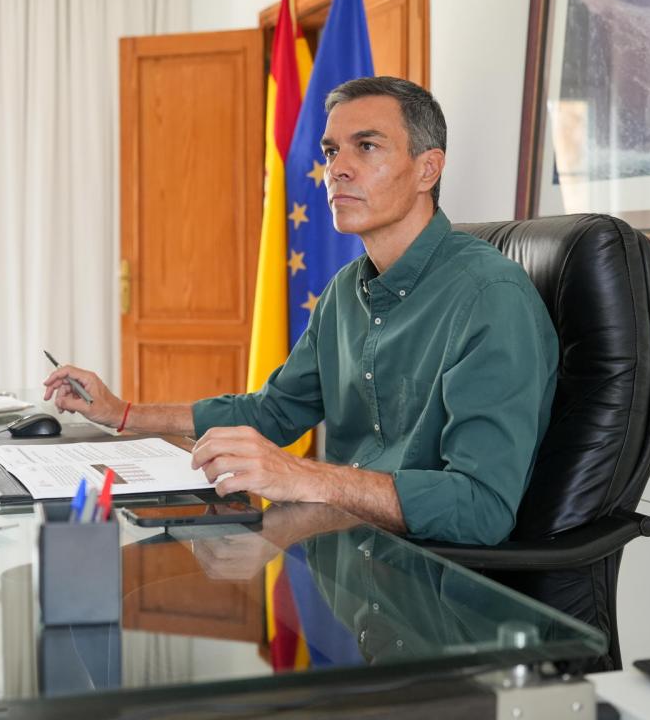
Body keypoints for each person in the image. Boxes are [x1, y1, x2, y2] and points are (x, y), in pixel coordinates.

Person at [45, 76, 558, 545]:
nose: (337, 167)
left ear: (428, 168)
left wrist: (301, 476)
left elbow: (481, 507)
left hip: (432, 586)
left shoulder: (490, 295)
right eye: (332, 150)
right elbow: (272, 413)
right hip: (343, 560)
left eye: (367, 146)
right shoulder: (343, 293)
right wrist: (124, 413)